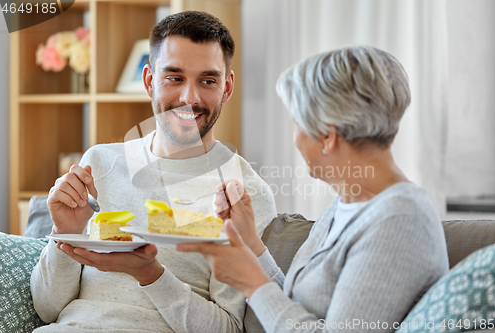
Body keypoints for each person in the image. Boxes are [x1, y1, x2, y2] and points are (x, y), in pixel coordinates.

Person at [30, 11, 276, 333]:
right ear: (149, 81)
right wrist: (66, 234)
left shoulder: (243, 195)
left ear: (226, 88)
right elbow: (47, 309)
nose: (190, 98)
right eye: (174, 78)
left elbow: (227, 328)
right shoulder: (99, 164)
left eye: (207, 80)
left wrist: (151, 275)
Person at [177, 45, 450, 333]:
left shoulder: (399, 221)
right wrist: (252, 245)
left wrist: (251, 283)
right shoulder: (347, 202)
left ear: (328, 136)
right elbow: (300, 313)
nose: (295, 138)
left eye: (297, 123)